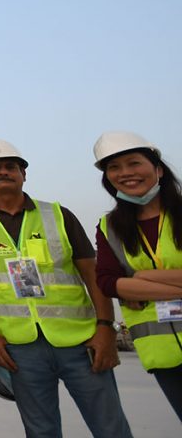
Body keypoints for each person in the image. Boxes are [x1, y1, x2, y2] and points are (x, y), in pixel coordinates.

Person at [0, 138, 132, 438]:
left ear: (24, 173)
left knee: (110, 425)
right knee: (41, 430)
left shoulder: (58, 215)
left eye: (11, 166)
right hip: (19, 346)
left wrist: (106, 328)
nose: (3, 172)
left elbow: (93, 274)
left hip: (80, 340)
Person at [92, 131, 182, 421]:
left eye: (134, 163)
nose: (125, 173)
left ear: (158, 169)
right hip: (164, 354)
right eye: (114, 168)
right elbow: (107, 282)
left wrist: (138, 279)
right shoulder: (110, 227)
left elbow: (121, 284)